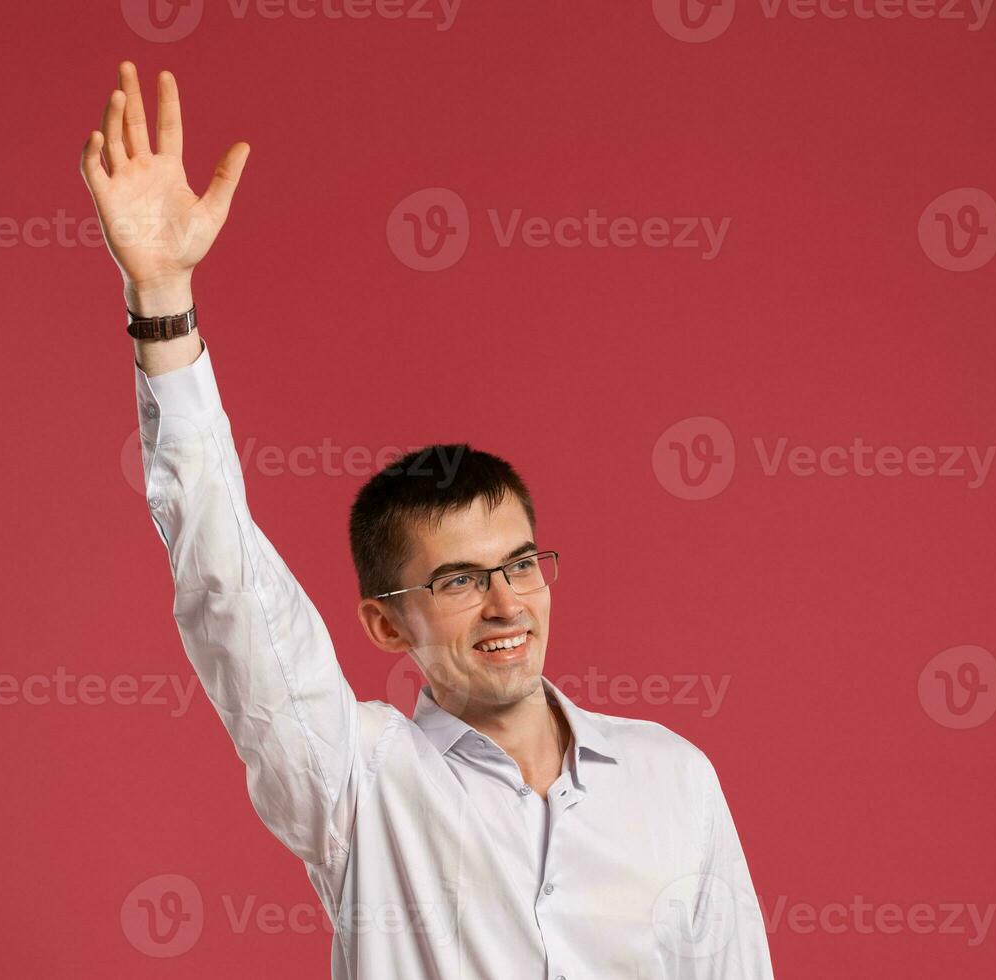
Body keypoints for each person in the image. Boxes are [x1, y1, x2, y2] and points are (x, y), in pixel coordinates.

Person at [79, 60, 775, 979]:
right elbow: (228, 588)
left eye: (520, 564)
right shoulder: (359, 782)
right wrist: (162, 304)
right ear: (384, 621)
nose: (505, 604)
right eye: (457, 581)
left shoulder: (673, 778)